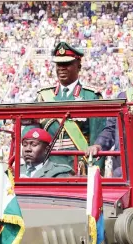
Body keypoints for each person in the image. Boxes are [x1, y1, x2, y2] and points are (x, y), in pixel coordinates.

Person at [23, 42, 106, 175]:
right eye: (59, 65)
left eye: (67, 64)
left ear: (78, 66)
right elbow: (30, 130)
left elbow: (98, 137)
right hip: (47, 166)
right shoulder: (43, 97)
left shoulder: (90, 96)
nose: (61, 68)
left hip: (77, 166)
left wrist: (95, 174)